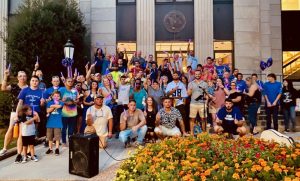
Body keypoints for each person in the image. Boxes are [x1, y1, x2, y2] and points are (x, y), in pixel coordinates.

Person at [13, 76, 45, 163]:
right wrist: (17, 114)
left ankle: (30, 154)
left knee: (31, 135)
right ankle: (19, 154)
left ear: (38, 82)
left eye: (36, 81)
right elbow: (20, 103)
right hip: (25, 115)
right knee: (21, 135)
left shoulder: (41, 92)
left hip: (35, 115)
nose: (34, 82)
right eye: (33, 80)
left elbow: (42, 106)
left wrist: (42, 103)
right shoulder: (25, 90)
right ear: (30, 81)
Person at [0, 70, 28, 156]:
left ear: (26, 77)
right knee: (10, 129)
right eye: (20, 76)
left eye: (24, 76)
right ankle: (4, 148)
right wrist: (5, 76)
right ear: (17, 78)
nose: (22, 78)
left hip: (26, 112)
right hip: (14, 111)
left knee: (23, 132)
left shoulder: (29, 88)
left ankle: (22, 150)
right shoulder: (14, 86)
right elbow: (3, 88)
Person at [187, 70, 208, 135]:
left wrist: (206, 103)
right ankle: (192, 134)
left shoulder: (204, 83)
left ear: (201, 74)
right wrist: (190, 90)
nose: (197, 75)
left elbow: (206, 94)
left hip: (202, 104)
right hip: (193, 103)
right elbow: (188, 94)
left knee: (203, 119)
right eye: (196, 74)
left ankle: (204, 133)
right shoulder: (190, 83)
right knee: (192, 119)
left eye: (198, 74)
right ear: (194, 75)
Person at [59, 77, 78, 146]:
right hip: (64, 113)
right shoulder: (62, 89)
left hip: (73, 113)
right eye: (68, 81)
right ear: (65, 82)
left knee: (71, 129)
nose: (70, 83)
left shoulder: (75, 90)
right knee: (64, 128)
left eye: (71, 81)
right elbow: (57, 99)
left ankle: (70, 141)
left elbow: (77, 100)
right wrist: (65, 102)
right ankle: (64, 141)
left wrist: (74, 102)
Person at [45, 91, 64, 155]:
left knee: (57, 137)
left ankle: (57, 148)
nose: (56, 97)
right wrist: (54, 105)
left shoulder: (61, 102)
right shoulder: (49, 102)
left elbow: (59, 106)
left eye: (58, 96)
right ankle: (50, 149)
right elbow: (48, 111)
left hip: (58, 122)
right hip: (50, 122)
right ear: (52, 96)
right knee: (49, 137)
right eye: (55, 96)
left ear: (60, 97)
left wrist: (52, 106)